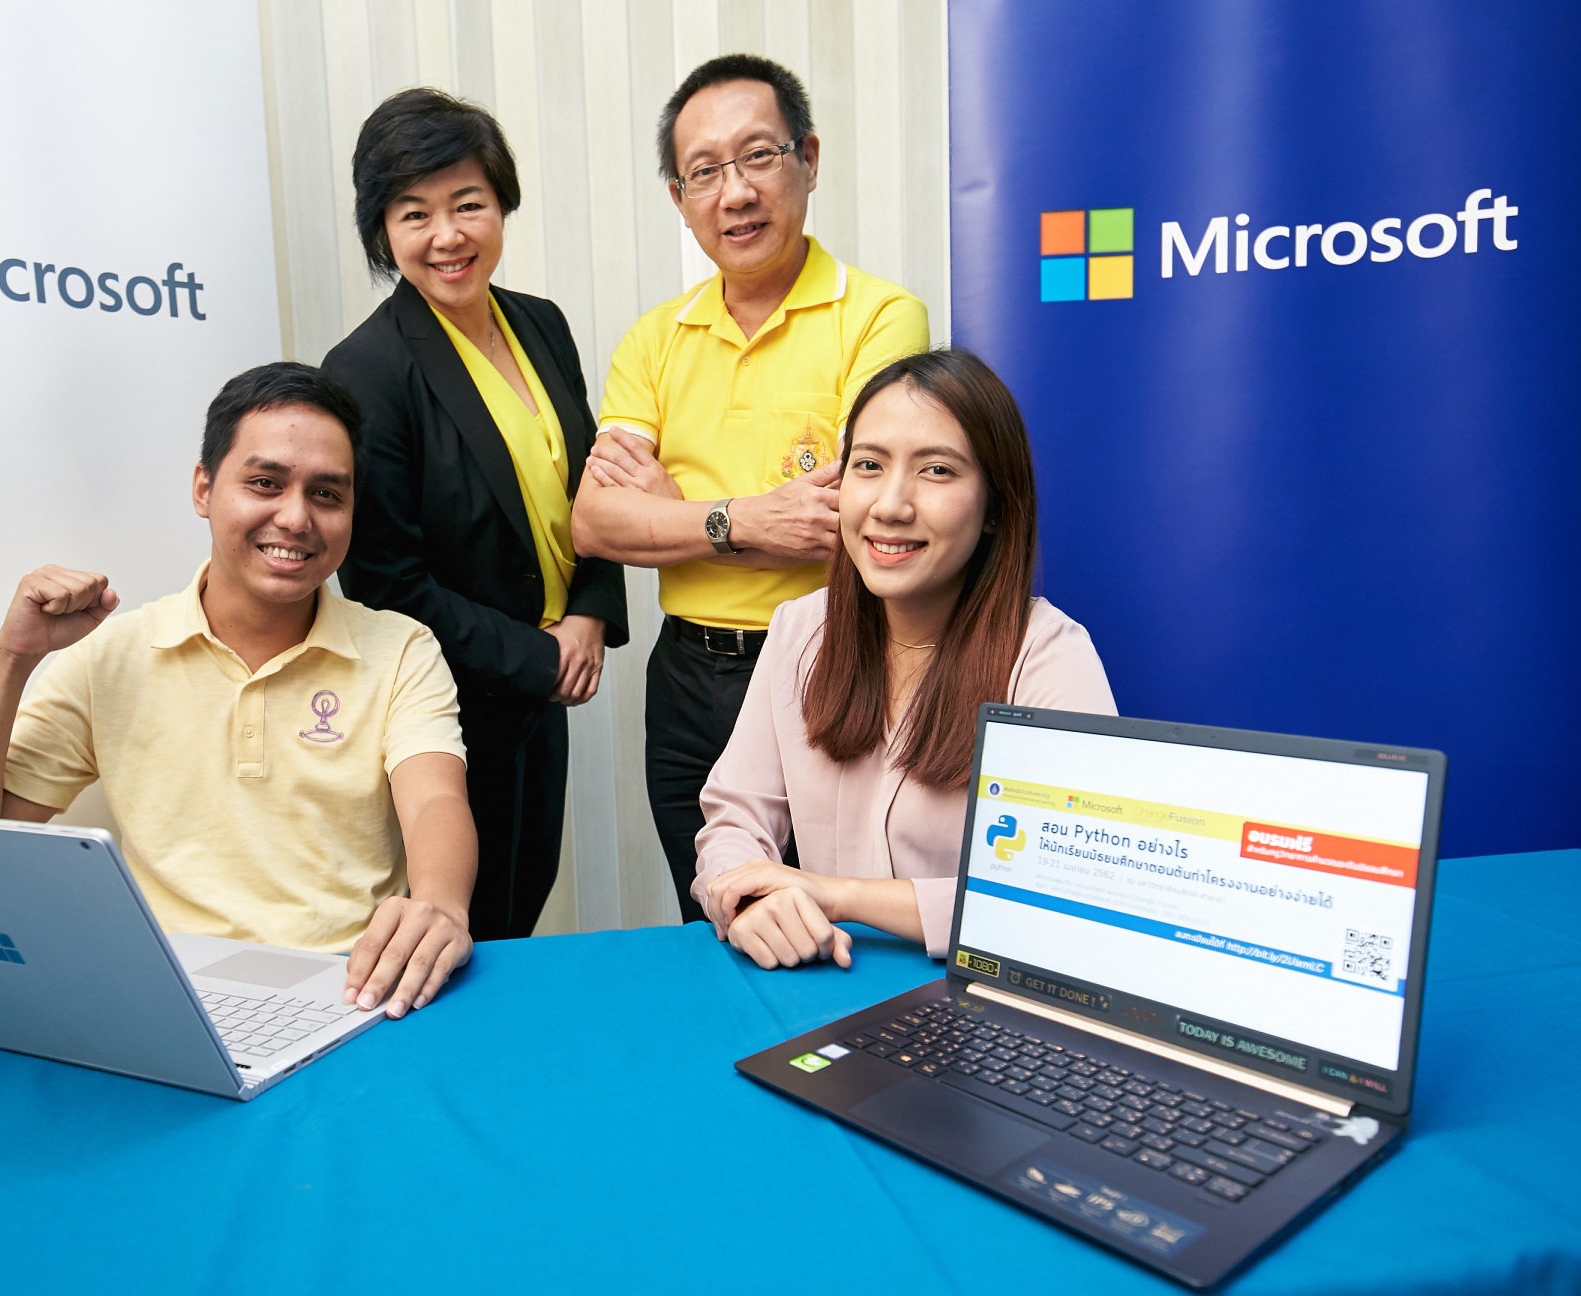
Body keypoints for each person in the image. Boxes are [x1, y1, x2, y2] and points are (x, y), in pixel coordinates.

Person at [0, 362, 476, 1018]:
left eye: (328, 495)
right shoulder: (113, 655)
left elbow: (436, 798)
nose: (296, 518)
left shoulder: (401, 647)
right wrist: (9, 659)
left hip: (354, 992)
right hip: (170, 1001)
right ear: (204, 488)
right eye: (265, 483)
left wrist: (439, 907)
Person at [572, 55, 929, 923]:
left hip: (832, 665)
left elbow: (851, 514)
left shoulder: (882, 316)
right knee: (715, 919)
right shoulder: (654, 339)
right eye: (705, 171)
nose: (734, 192)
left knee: (826, 922)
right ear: (679, 198)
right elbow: (593, 522)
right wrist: (743, 516)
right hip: (688, 675)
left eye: (758, 156)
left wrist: (670, 510)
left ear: (807, 158)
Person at [692, 348, 1116, 969]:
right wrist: (752, 898)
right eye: (869, 465)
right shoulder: (800, 629)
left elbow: (1071, 895)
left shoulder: (1049, 656)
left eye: (937, 471)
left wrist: (838, 895)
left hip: (978, 1008)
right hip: (822, 989)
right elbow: (733, 818)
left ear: (996, 507)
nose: (891, 505)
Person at [322, 89, 628, 942]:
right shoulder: (366, 370)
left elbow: (597, 488)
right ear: (382, 230)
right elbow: (386, 581)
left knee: (524, 898)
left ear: (502, 205)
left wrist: (593, 613)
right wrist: (540, 654)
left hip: (550, 685)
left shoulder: (541, 324)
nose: (446, 235)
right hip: (451, 706)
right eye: (413, 213)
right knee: (465, 926)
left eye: (468, 204)